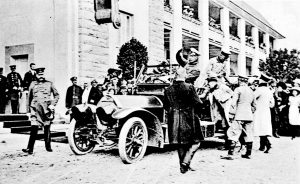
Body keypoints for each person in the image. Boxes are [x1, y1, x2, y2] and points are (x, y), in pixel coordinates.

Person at [164, 67, 204, 174]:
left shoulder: (168, 90)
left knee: (180, 144)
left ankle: (183, 166)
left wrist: (173, 112)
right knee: (196, 142)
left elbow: (166, 106)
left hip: (174, 119)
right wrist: (198, 113)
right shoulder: (189, 87)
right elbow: (198, 103)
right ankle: (186, 162)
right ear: (184, 76)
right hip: (188, 118)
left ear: (175, 76)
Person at [22, 67, 60, 154]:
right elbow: (29, 98)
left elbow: (57, 95)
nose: (41, 76)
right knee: (34, 127)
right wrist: (28, 110)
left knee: (46, 128)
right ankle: (30, 148)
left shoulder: (49, 84)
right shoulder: (32, 84)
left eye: (42, 74)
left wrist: (52, 104)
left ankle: (48, 146)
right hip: (35, 108)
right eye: (39, 74)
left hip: (46, 109)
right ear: (36, 75)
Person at [223, 75, 255, 160]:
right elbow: (254, 105)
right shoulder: (251, 91)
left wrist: (231, 115)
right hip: (249, 116)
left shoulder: (238, 89)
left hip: (239, 115)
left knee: (233, 133)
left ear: (240, 81)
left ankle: (230, 154)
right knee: (249, 134)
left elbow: (233, 103)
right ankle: (248, 154)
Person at [206, 76, 233, 150]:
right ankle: (227, 144)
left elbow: (232, 94)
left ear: (215, 82)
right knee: (225, 127)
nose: (209, 84)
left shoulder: (223, 87)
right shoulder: (212, 90)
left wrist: (224, 99)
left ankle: (232, 145)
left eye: (210, 83)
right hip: (220, 111)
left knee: (229, 126)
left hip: (227, 109)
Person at [253, 74, 274, 154]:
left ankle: (268, 144)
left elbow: (253, 98)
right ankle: (262, 146)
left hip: (259, 111)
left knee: (260, 128)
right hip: (266, 111)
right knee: (263, 128)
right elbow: (272, 104)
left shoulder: (259, 90)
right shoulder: (269, 90)